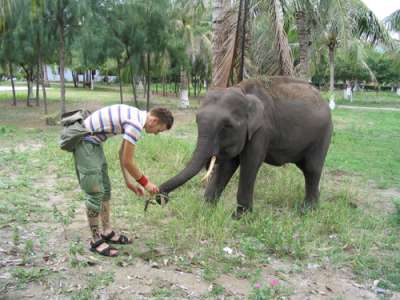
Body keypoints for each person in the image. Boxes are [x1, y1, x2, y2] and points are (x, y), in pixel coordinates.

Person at [73, 105, 174, 256]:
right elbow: (128, 161)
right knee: (95, 192)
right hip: (85, 143)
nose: (156, 134)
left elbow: (122, 154)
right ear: (154, 121)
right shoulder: (136, 124)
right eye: (159, 130)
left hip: (94, 143)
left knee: (105, 190)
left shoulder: (136, 116)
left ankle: (107, 232)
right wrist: (146, 183)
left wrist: (128, 182)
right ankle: (95, 240)